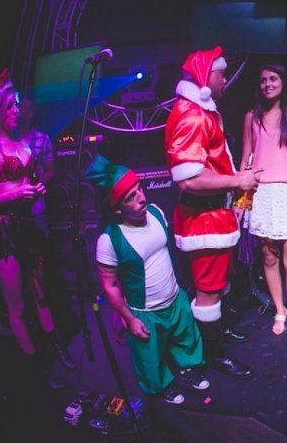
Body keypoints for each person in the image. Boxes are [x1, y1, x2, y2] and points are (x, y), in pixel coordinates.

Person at [164, 46, 258, 378]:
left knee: (217, 285)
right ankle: (212, 354)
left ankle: (218, 335)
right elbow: (189, 179)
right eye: (222, 74)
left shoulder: (202, 112)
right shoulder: (192, 115)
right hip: (204, 222)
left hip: (215, 217)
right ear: (206, 76)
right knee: (207, 292)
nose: (226, 80)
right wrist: (239, 180)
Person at [0, 70, 74, 387]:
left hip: (28, 227)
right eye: (10, 106)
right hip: (5, 234)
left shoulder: (24, 146)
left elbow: (33, 180)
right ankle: (36, 369)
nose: (16, 110)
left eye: (17, 105)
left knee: (41, 294)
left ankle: (54, 348)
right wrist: (17, 194)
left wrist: (37, 189)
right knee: (17, 305)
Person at [88, 155, 210, 404]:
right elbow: (109, 285)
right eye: (130, 197)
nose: (141, 198)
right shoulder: (109, 240)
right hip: (145, 312)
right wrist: (129, 319)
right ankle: (161, 385)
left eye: (139, 189)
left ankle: (188, 368)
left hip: (174, 298)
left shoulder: (156, 213)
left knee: (186, 337)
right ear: (117, 208)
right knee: (150, 357)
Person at [239, 63, 287, 343]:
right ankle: (280, 311)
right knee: (269, 257)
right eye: (263, 80)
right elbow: (246, 161)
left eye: (273, 79)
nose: (268, 84)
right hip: (262, 194)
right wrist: (241, 201)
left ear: (283, 82)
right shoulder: (252, 117)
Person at [17, 98, 54, 236]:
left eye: (22, 107)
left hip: (36, 204)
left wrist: (36, 184)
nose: (18, 110)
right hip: (14, 204)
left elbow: (50, 170)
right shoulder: (9, 139)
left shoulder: (43, 139)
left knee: (40, 239)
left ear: (30, 114)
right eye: (18, 106)